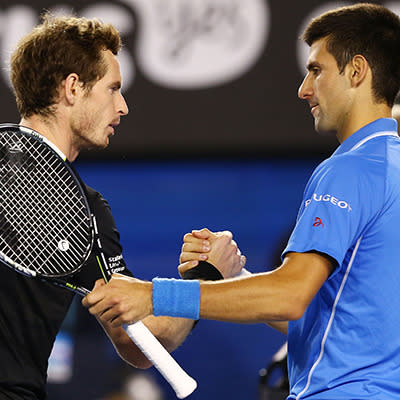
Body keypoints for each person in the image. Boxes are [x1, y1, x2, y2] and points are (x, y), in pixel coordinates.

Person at [83, 3, 400, 399]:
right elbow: (334, 321)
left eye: (316, 70)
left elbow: (289, 297)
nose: (303, 89)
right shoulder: (391, 165)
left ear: (357, 71)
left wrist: (151, 294)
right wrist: (234, 277)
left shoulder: (348, 170)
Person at [0, 13, 244, 400]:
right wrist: (208, 276)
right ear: (73, 88)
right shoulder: (83, 212)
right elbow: (147, 341)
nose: (124, 107)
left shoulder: (81, 210)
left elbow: (136, 343)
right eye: (113, 89)